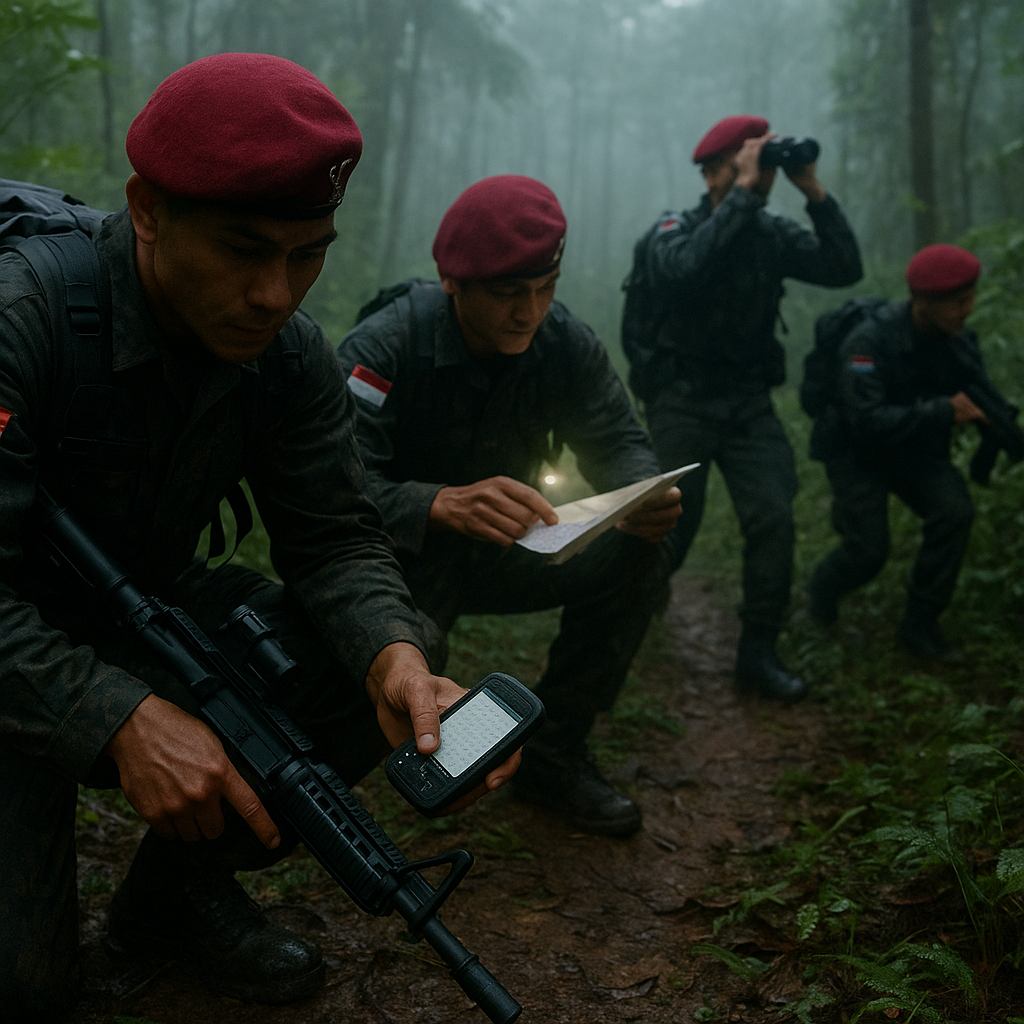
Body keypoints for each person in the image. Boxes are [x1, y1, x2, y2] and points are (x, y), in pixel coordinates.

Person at [0, 54, 519, 1021]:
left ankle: (173, 902)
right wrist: (118, 716)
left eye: (307, 253)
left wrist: (397, 660)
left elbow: (333, 537)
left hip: (139, 603)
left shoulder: (286, 358)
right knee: (27, 986)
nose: (276, 295)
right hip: (10, 639)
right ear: (148, 210)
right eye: (244, 249)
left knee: (370, 656)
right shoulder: (22, 321)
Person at [336, 174, 681, 839]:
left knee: (640, 551)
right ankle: (326, 783)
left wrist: (646, 494)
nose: (530, 312)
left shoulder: (564, 344)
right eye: (508, 293)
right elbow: (327, 492)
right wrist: (434, 502)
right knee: (385, 683)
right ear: (454, 283)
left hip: (511, 554)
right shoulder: (386, 347)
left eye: (544, 289)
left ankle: (553, 755)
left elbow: (620, 440)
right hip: (401, 564)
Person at [631, 114, 863, 703]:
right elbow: (683, 273)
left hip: (746, 404)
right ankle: (625, 617)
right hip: (681, 399)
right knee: (670, 525)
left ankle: (758, 650)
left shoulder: (769, 233)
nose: (759, 177)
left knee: (775, 518)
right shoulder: (672, 229)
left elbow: (843, 268)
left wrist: (811, 189)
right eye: (744, 163)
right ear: (713, 172)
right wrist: (739, 197)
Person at [805, 244, 1024, 658]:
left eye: (971, 297)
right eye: (958, 302)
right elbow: (864, 422)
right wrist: (943, 411)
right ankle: (821, 597)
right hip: (857, 454)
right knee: (868, 552)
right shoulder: (867, 342)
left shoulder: (956, 340)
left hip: (913, 449)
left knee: (954, 512)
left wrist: (995, 425)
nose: (968, 309)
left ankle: (920, 626)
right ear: (922, 303)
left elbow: (977, 389)